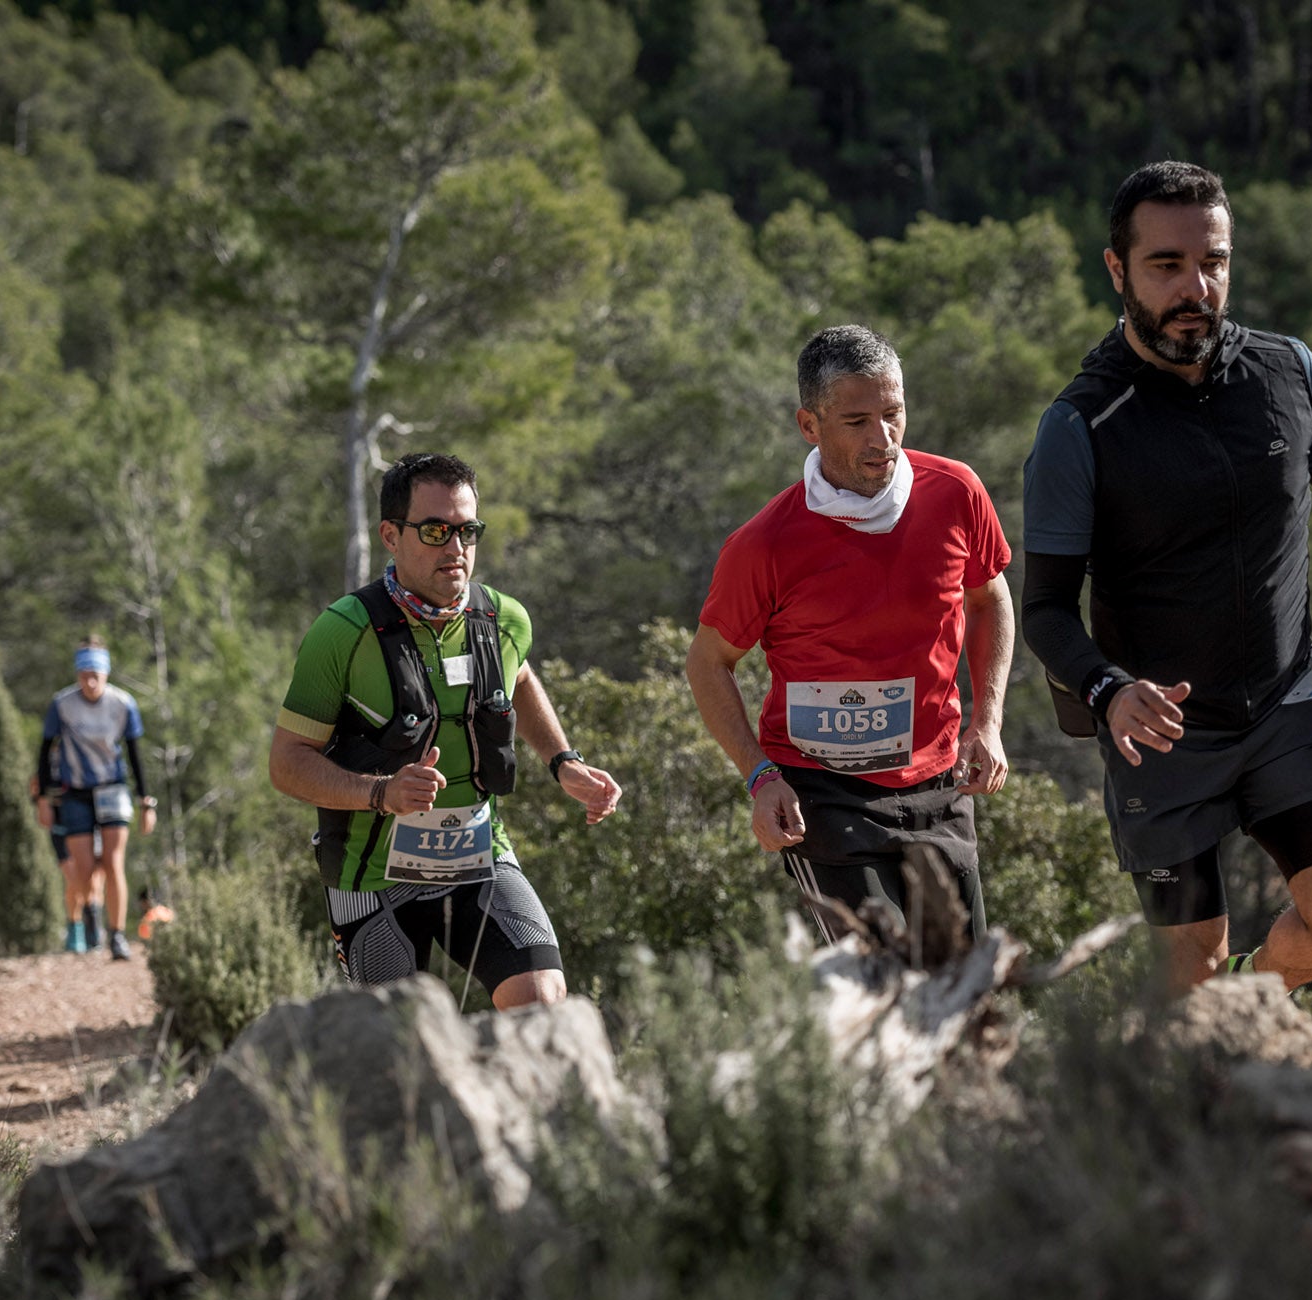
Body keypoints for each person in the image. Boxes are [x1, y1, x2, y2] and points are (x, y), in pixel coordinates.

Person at [1021, 160, 1312, 993]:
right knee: (1187, 982)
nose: (1196, 287)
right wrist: (1108, 689)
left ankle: (1248, 996)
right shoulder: (1080, 426)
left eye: (1213, 262)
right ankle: (1211, 1019)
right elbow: (1044, 609)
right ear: (1118, 270)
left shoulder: (1288, 373)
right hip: (1163, 737)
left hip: (1287, 701)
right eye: (1167, 265)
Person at [686, 325, 1015, 939]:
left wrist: (987, 722)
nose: (883, 439)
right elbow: (708, 663)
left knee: (962, 990)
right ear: (809, 426)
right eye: (857, 421)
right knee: (880, 978)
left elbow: (990, 598)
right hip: (823, 796)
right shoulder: (764, 544)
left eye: (894, 414)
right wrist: (760, 777)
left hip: (938, 786)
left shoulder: (955, 492)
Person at [269, 452, 621, 1009]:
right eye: (435, 531)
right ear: (391, 534)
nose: (455, 549)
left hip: (478, 858)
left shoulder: (504, 620)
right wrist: (379, 793)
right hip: (372, 878)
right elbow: (287, 763)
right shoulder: (340, 633)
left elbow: (519, 676)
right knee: (399, 1049)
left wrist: (563, 761)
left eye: (467, 530)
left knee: (543, 1002)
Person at [36, 636, 154, 961]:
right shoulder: (62, 704)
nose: (90, 682)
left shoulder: (122, 703)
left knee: (114, 863)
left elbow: (134, 754)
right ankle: (91, 915)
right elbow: (45, 753)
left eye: (96, 675)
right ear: (77, 674)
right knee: (83, 867)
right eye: (84, 674)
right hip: (74, 793)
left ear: (106, 674)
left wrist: (146, 801)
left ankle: (117, 935)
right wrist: (43, 799)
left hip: (112, 788)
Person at [31, 773, 106, 953]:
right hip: (61, 829)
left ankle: (93, 926)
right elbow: (35, 788)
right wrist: (42, 801)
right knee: (74, 878)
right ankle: (77, 928)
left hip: (91, 824)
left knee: (95, 880)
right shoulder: (51, 762)